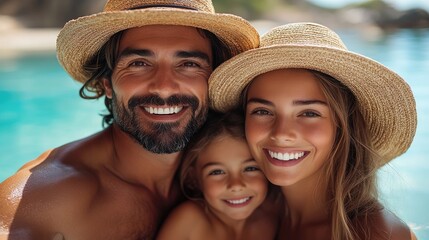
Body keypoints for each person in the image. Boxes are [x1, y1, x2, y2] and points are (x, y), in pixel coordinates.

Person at [0, 0, 259, 239]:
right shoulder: (49, 196)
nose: (164, 87)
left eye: (189, 64)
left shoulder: (240, 174)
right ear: (107, 84)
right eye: (139, 63)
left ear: (211, 81)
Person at [208, 22, 418, 240]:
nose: (281, 133)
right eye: (262, 111)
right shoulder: (243, 213)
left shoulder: (377, 233)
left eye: (309, 113)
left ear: (344, 126)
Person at [156, 111, 281, 240]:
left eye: (250, 168)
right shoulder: (189, 222)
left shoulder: (274, 216)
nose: (236, 185)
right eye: (217, 172)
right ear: (193, 179)